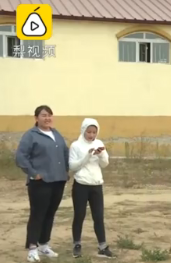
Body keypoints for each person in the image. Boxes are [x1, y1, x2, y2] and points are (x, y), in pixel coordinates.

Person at [15, 105, 70, 262]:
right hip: (40, 182)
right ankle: (32, 248)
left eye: (50, 115)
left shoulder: (55, 133)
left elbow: (65, 152)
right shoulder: (30, 135)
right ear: (36, 118)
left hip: (58, 180)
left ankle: (44, 244)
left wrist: (66, 171)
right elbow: (21, 157)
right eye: (44, 115)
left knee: (50, 214)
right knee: (38, 215)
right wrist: (33, 173)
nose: (47, 118)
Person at [69, 118, 114, 258]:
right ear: (83, 131)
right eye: (89, 132)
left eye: (94, 132)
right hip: (81, 185)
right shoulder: (75, 146)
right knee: (79, 215)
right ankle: (77, 244)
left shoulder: (99, 143)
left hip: (96, 185)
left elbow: (105, 164)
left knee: (98, 216)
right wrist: (87, 155)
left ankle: (103, 246)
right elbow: (73, 166)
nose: (91, 135)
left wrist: (101, 154)